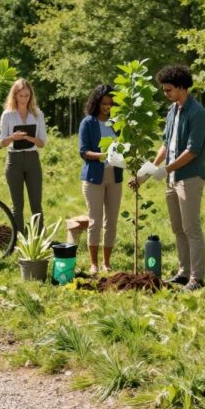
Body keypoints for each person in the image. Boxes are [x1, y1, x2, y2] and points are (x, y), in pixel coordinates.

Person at [140, 65, 205, 291]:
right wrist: (152, 168)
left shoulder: (197, 113)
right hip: (172, 178)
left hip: (189, 177)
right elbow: (166, 143)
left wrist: (167, 169)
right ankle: (183, 272)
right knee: (178, 228)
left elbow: (193, 151)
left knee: (191, 228)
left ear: (182, 87)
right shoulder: (172, 110)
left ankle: (196, 278)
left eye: (169, 90)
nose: (166, 94)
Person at [78, 84, 123, 274]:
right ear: (96, 103)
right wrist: (102, 155)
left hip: (115, 175)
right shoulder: (88, 123)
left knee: (111, 220)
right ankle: (93, 263)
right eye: (104, 103)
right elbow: (83, 152)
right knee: (95, 221)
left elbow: (125, 145)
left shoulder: (117, 123)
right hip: (94, 177)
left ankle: (106, 262)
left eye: (111, 104)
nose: (107, 107)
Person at [0, 79, 47, 230]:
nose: (24, 99)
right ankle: (19, 240)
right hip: (14, 160)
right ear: (15, 95)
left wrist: (29, 138)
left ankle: (38, 240)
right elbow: (2, 142)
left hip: (33, 160)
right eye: (21, 95)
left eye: (27, 95)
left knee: (36, 203)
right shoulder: (7, 115)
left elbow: (42, 143)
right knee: (17, 205)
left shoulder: (38, 114)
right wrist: (14, 137)